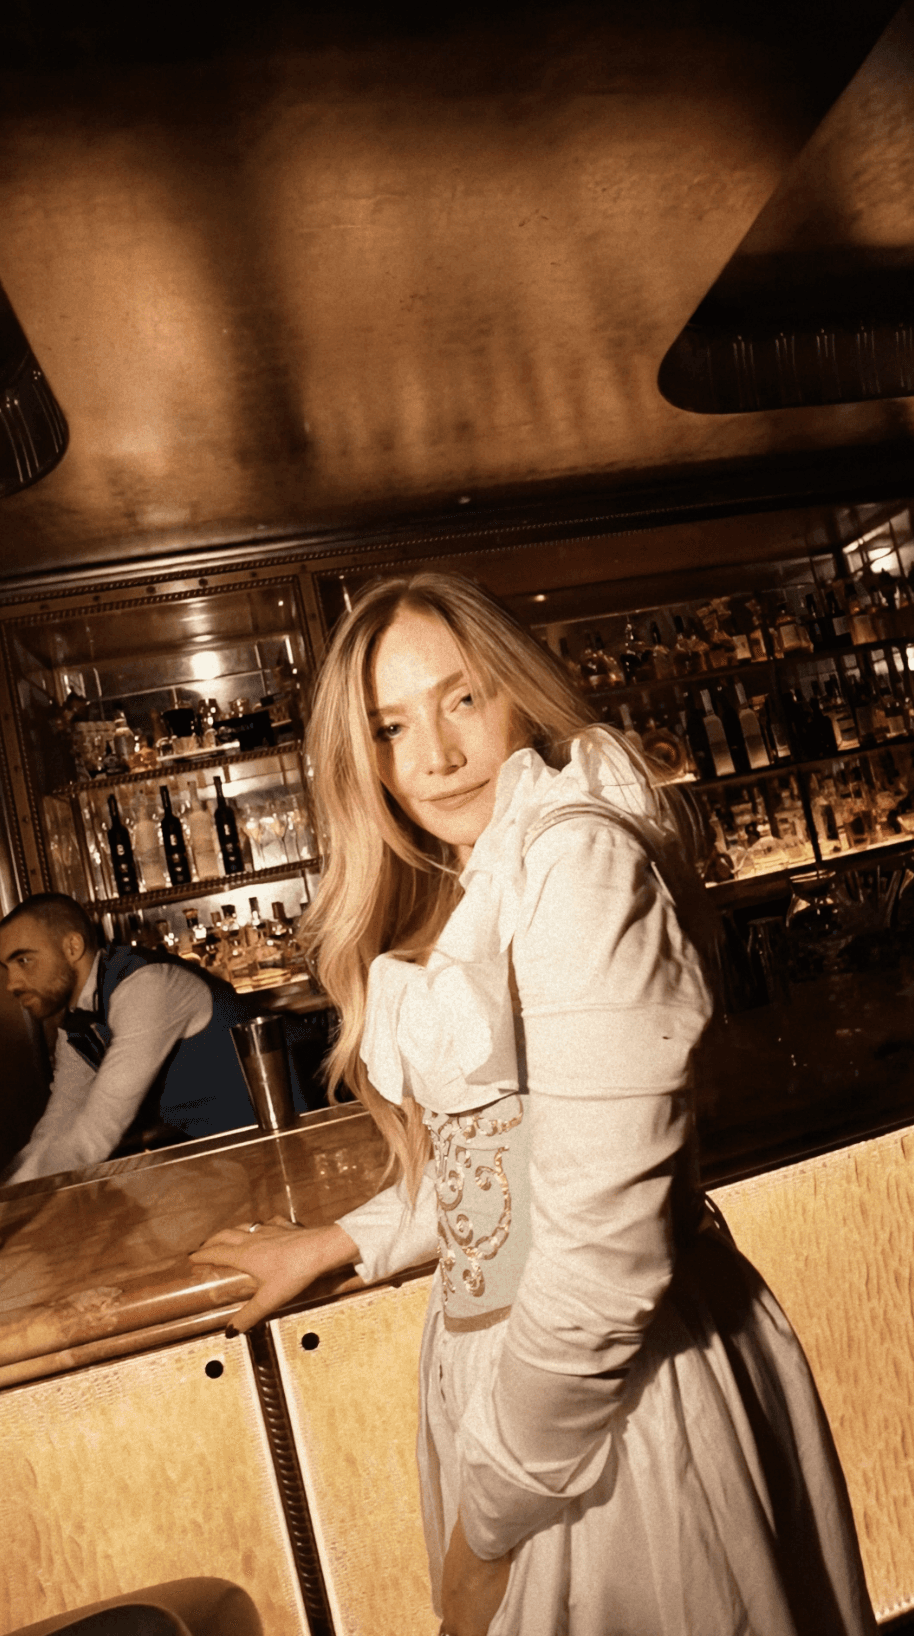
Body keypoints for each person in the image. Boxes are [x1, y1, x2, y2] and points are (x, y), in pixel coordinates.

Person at [193, 571, 876, 1636]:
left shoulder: (580, 859)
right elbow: (513, 1155)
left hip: (612, 1404)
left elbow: (604, 1250)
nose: (435, 755)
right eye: (389, 724)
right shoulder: (484, 875)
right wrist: (341, 1239)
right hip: (522, 1387)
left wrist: (489, 1521)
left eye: (461, 698)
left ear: (517, 694)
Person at [0, 894, 270, 1183]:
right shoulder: (78, 1022)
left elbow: (94, 1134)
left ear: (72, 947)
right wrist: (11, 1187)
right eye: (6, 968)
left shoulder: (145, 986)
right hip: (217, 1157)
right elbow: (55, 1126)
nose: (11, 983)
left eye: (24, 960)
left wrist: (15, 1201)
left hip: (270, 1141)